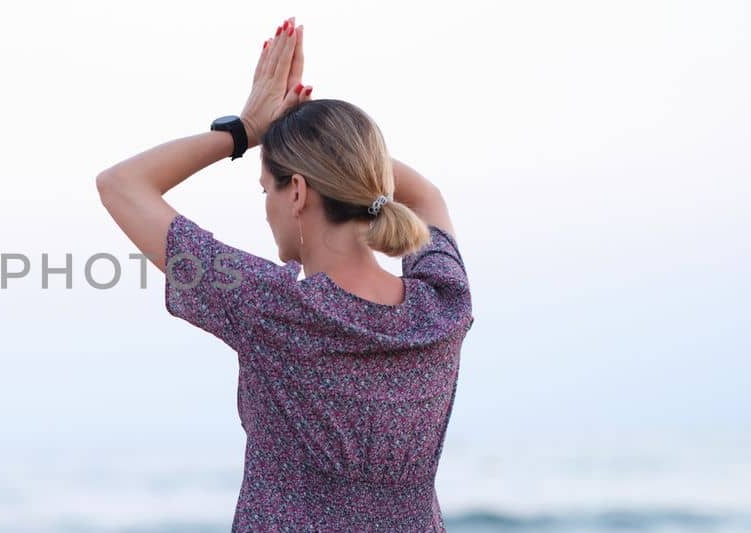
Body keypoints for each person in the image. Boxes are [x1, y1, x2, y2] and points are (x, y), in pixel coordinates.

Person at [95, 18, 474, 531]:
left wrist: (246, 129)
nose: (266, 208)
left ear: (296, 193)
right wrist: (331, 143)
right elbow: (427, 195)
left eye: (266, 190)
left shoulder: (274, 309)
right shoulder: (442, 307)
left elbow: (122, 184)